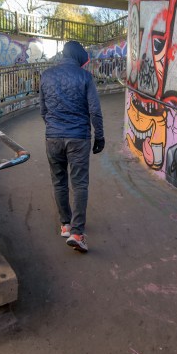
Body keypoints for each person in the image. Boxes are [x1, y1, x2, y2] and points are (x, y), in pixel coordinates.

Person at [40, 40, 105, 253]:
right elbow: (94, 111)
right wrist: (100, 137)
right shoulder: (85, 77)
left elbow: (43, 110)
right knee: (79, 184)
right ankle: (77, 233)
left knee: (59, 181)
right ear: (79, 56)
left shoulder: (46, 76)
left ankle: (65, 225)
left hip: (53, 137)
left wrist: (55, 128)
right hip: (78, 138)